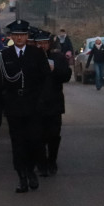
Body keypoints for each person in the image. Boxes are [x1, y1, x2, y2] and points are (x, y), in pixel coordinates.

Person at [0, 19, 50, 193]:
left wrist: (41, 101)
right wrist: (1, 104)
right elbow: (0, 82)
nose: (19, 38)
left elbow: (45, 80)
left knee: (34, 141)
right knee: (18, 144)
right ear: (12, 37)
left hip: (33, 105)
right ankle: (21, 176)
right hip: (14, 106)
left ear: (27, 36)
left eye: (22, 35)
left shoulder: (37, 54)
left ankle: (31, 171)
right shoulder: (5, 55)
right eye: (16, 35)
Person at [35, 30, 71, 175]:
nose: (42, 46)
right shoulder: (30, 58)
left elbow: (66, 76)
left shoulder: (57, 57)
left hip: (54, 104)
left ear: (49, 44)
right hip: (36, 104)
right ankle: (42, 163)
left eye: (44, 43)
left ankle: (52, 161)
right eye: (39, 43)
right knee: (38, 136)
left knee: (53, 135)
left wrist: (54, 69)